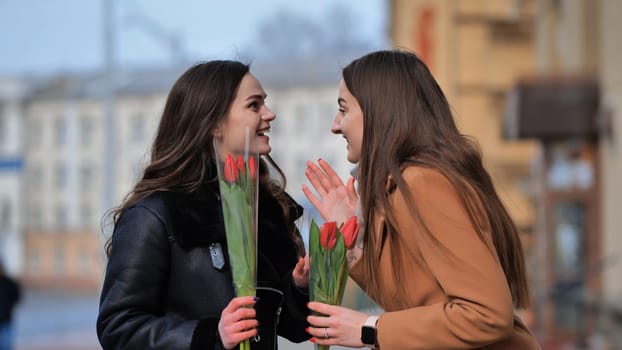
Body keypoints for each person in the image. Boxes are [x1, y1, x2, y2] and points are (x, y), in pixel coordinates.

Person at [302, 50, 541, 349]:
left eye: (343, 109)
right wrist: (354, 240)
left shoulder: (423, 183)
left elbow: (485, 314)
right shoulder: (403, 186)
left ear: (380, 111)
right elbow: (414, 304)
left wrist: (367, 328)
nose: (336, 125)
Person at [97, 60, 310, 350]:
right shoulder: (156, 214)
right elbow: (117, 327)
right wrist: (210, 336)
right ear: (214, 124)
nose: (269, 115)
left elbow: (292, 329)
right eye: (254, 105)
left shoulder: (268, 211)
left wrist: (299, 288)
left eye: (265, 104)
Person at [0, 260, 21, 350]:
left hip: (6, 319)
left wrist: (9, 306)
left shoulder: (9, 283)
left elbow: (17, 297)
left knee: (6, 346)